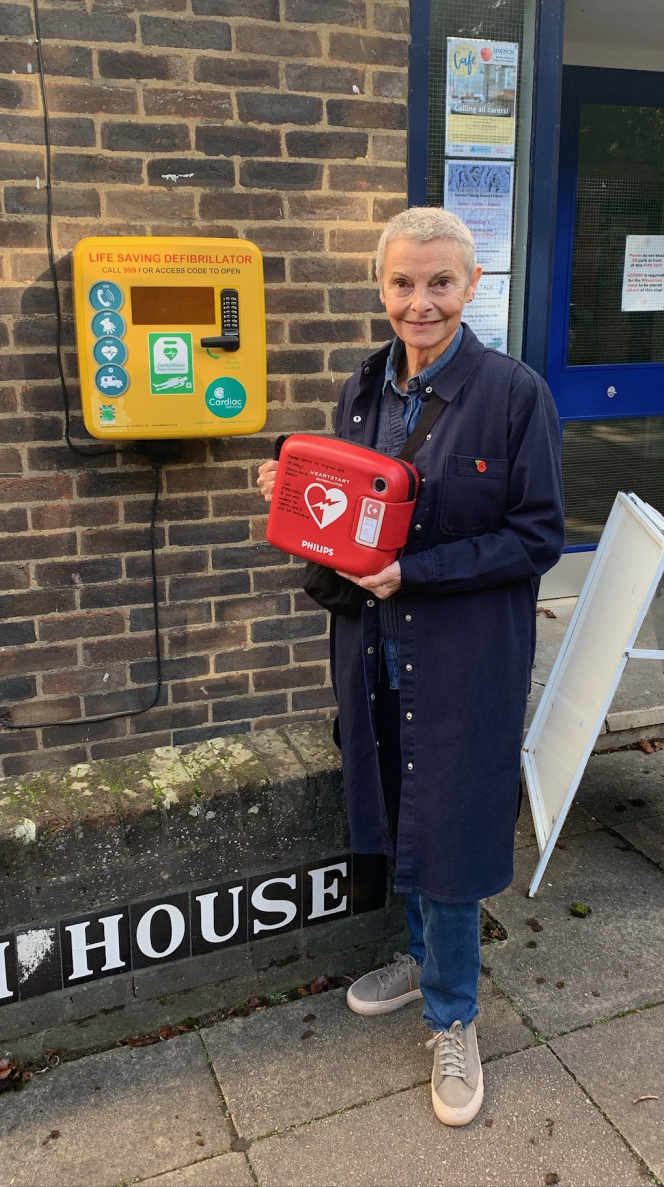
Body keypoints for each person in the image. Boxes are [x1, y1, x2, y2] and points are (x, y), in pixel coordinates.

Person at [257, 207, 565, 1127]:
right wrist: (296, 497)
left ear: (472, 287)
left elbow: (538, 535)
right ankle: (422, 956)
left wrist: (416, 572)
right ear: (381, 287)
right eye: (402, 283)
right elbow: (348, 512)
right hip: (373, 648)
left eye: (439, 283)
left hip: (465, 655)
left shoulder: (515, 394)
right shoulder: (361, 388)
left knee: (455, 826)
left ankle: (454, 1014)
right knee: (397, 799)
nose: (419, 301)